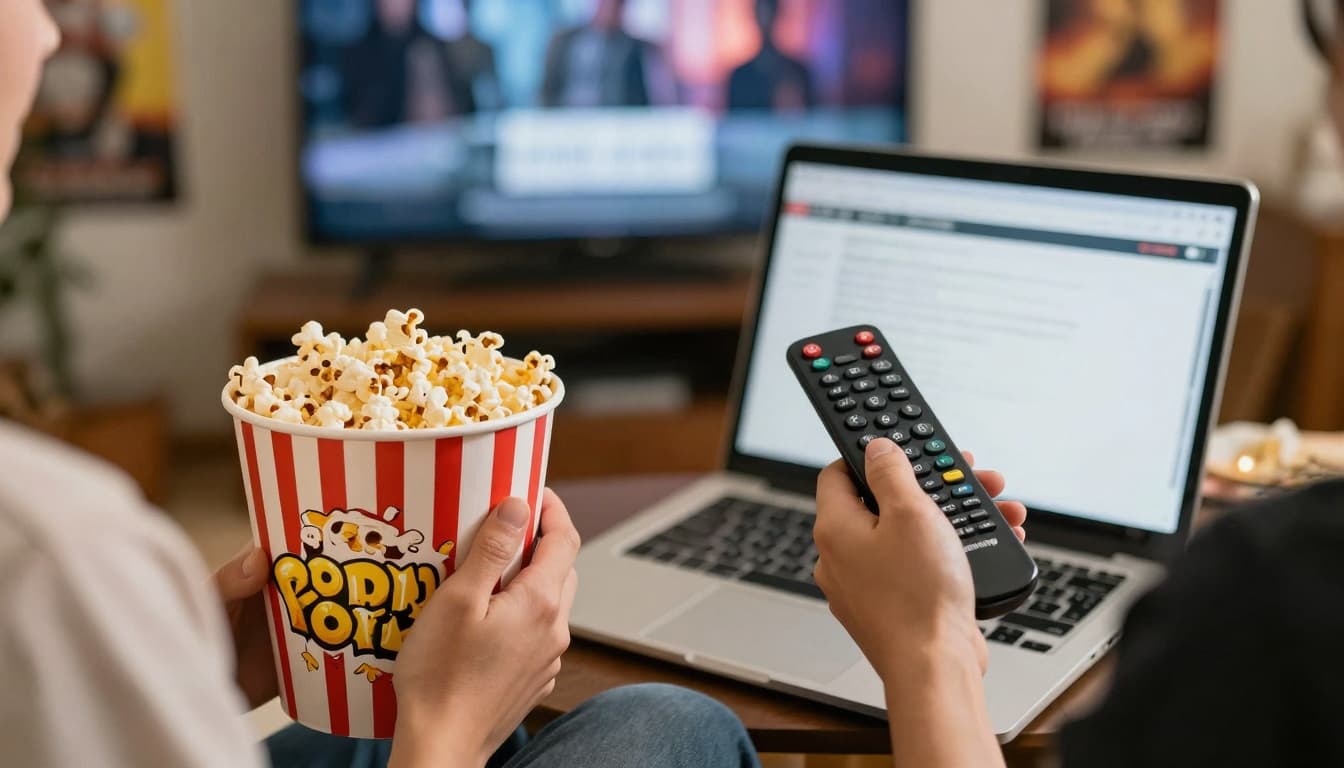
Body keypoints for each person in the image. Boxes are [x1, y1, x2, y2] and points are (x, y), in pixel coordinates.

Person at [0, 3, 759, 766]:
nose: (50, 31)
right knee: (673, 721)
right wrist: (447, 728)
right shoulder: (51, 556)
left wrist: (198, 683)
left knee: (402, 730)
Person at [539, 0, 655, 108]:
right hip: (562, 118)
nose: (610, 10)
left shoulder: (630, 47)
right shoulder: (563, 40)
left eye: (616, 6)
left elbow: (637, 95)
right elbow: (548, 88)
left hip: (611, 120)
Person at [726, 0, 814, 112]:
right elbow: (734, 123)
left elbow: (812, 122)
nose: (765, 20)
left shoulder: (798, 73)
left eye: (769, 13)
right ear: (755, 16)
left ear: (778, 16)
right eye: (761, 13)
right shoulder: (739, 77)